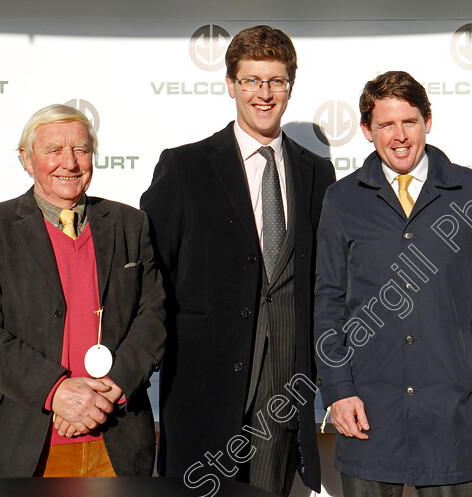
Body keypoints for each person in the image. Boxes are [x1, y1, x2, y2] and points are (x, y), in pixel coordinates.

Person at [140, 25, 335, 496]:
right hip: (202, 387)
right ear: (231, 84)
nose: (264, 94)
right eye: (251, 80)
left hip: (284, 386)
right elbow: (150, 276)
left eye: (276, 81)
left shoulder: (317, 172)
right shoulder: (184, 167)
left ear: (290, 86)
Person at [314, 70, 472, 497]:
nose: (399, 136)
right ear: (367, 130)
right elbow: (327, 301)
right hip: (366, 411)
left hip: (449, 413)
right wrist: (338, 390)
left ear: (428, 121)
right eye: (386, 124)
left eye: (410, 122)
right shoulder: (342, 199)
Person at [0, 104, 166, 480]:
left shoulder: (130, 224)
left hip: (115, 441)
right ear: (26, 158)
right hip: (17, 447)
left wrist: (109, 392)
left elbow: (153, 317)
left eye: (81, 150)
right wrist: (58, 392)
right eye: (54, 151)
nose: (69, 163)